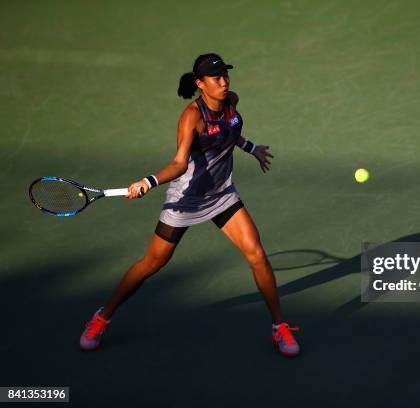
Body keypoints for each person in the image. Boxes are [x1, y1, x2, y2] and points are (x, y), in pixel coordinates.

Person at [79, 53, 300, 357]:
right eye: (215, 78)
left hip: (222, 195)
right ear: (200, 83)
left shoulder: (231, 100)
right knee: (152, 264)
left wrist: (252, 148)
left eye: (225, 75)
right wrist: (149, 181)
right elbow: (180, 163)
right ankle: (101, 317)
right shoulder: (191, 117)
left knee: (257, 254)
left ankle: (279, 326)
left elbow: (230, 132)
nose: (223, 82)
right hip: (187, 199)